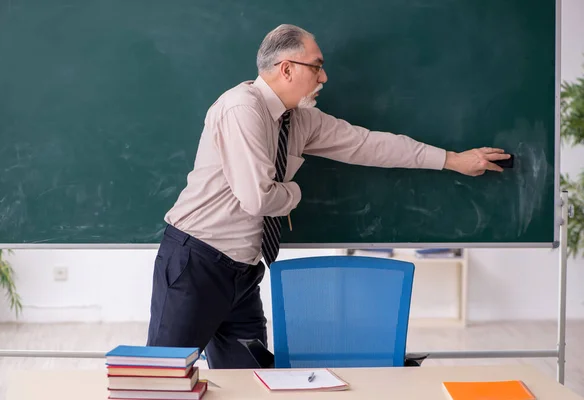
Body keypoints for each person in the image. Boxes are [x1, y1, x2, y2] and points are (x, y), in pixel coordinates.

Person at [146, 24, 510, 368]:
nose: (323, 78)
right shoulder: (243, 107)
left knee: (252, 379)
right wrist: (294, 193)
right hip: (196, 264)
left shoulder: (299, 120)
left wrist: (452, 160)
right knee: (162, 378)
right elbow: (257, 199)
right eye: (316, 67)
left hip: (242, 273)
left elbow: (369, 144)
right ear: (286, 69)